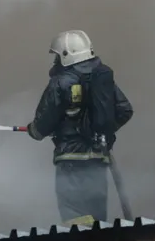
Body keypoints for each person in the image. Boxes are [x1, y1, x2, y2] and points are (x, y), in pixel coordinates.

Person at [26, 29, 134, 222]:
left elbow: (42, 125)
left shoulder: (60, 82)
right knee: (98, 221)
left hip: (71, 161)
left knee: (75, 219)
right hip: (99, 160)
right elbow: (125, 110)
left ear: (66, 55)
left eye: (57, 57)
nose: (55, 62)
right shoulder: (102, 78)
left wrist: (33, 130)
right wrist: (100, 132)